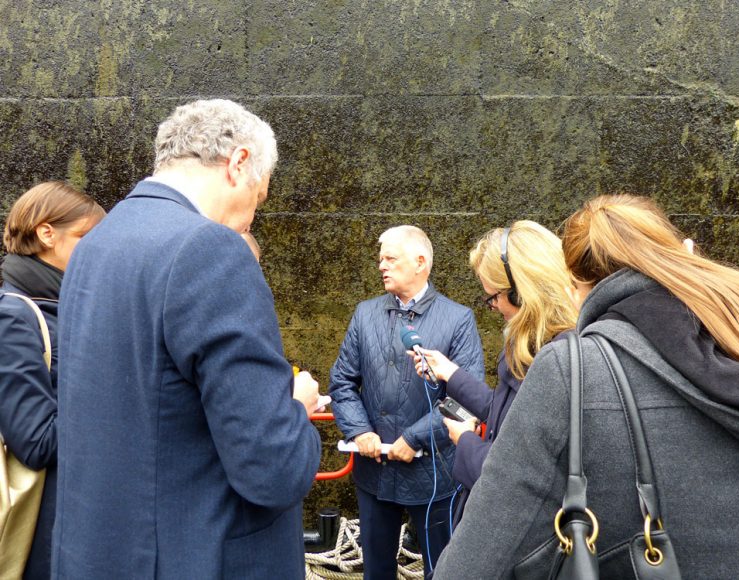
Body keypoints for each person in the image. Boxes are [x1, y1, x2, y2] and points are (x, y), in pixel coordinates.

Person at [432, 194, 739, 579]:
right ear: (684, 251)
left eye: (493, 297)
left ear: (577, 284)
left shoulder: (571, 369)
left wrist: (465, 441)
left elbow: (476, 558)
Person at [52, 99, 323, 579]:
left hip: (102, 554)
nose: (250, 221)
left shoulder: (96, 244)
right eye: (258, 200)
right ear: (239, 163)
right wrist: (297, 407)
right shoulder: (211, 249)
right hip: (197, 557)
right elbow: (272, 467)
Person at [329, 225, 484, 579]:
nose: (381, 265)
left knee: (441, 569)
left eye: (390, 258)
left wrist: (413, 438)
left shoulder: (458, 319)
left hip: (433, 476)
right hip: (375, 472)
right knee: (376, 571)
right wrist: (359, 431)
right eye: (380, 258)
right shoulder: (365, 314)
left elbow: (465, 400)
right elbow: (342, 382)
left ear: (421, 262)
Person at [409, 221, 576, 528]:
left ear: (522, 291)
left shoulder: (554, 361)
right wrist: (450, 372)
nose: (494, 307)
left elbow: (512, 477)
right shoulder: (545, 347)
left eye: (494, 297)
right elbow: (503, 411)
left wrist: (467, 440)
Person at [0, 181, 104, 579]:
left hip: (76, 526)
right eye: (85, 237)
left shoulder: (67, 306)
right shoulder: (15, 316)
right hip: (44, 539)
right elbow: (37, 442)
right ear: (47, 233)